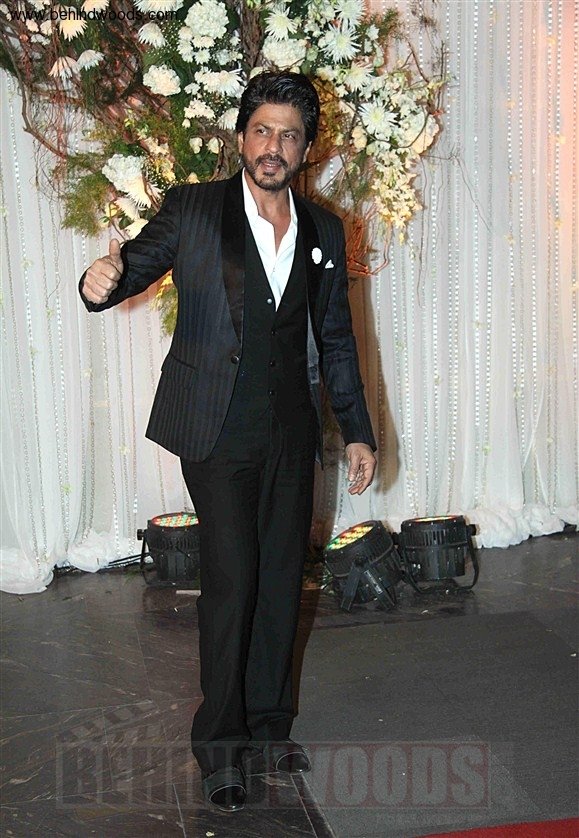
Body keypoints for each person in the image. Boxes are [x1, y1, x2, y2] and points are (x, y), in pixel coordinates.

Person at [79, 71, 377, 812]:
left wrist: (358, 431)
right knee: (234, 580)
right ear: (241, 138)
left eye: (288, 135)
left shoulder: (323, 229)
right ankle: (220, 745)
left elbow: (336, 338)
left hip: (291, 429)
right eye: (262, 130)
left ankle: (270, 728)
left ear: (305, 149)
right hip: (214, 426)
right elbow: (133, 265)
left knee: (281, 579)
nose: (273, 145)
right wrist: (102, 280)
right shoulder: (195, 208)